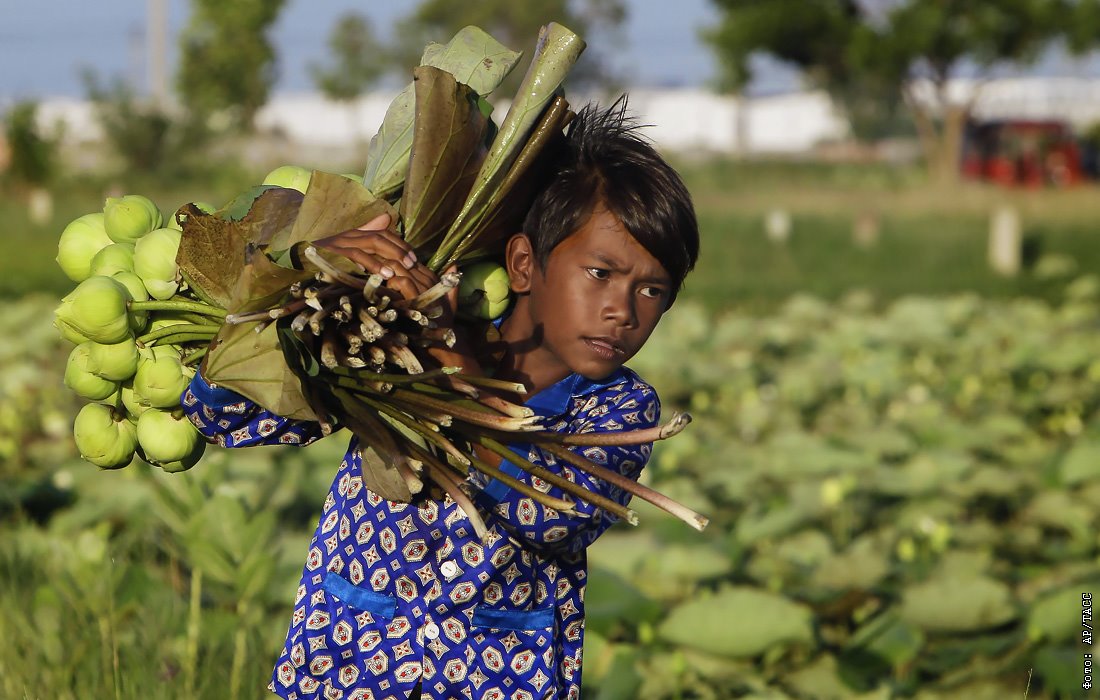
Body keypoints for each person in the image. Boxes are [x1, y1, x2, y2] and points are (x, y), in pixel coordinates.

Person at [180, 97, 699, 700]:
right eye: (600, 274)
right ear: (525, 264)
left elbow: (554, 514)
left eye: (652, 290)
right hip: (345, 672)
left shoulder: (618, 410)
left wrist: (447, 355)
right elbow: (221, 414)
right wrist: (306, 279)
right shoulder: (389, 344)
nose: (622, 310)